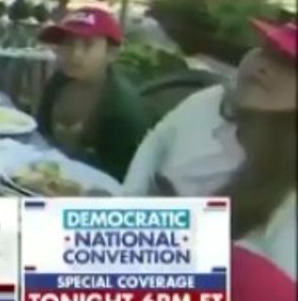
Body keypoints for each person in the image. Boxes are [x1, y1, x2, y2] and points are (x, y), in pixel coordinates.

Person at [123, 19, 297, 197]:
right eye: (267, 51)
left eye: (289, 65)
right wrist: (130, 197)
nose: (264, 67)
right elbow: (158, 139)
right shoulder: (213, 98)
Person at [34, 7, 149, 182]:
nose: (75, 54)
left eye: (87, 45)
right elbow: (40, 132)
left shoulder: (123, 108)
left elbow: (122, 175)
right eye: (68, 43)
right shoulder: (59, 81)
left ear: (111, 53)